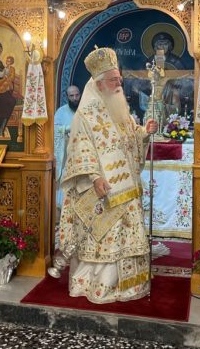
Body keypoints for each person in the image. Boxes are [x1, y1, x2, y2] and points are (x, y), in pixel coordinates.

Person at [58, 46, 157, 303]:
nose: (119, 84)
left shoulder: (119, 108)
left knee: (127, 236)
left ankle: (129, 285)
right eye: (114, 80)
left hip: (127, 187)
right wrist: (95, 177)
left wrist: (144, 133)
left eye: (119, 79)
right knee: (106, 238)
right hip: (103, 189)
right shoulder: (86, 115)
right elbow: (81, 148)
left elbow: (130, 137)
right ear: (99, 83)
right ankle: (101, 285)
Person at [54, 85, 81, 222]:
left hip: (82, 154)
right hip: (66, 156)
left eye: (77, 95)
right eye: (72, 96)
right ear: (67, 97)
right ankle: (62, 218)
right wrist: (67, 129)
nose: (75, 98)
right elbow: (55, 130)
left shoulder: (84, 110)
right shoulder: (61, 112)